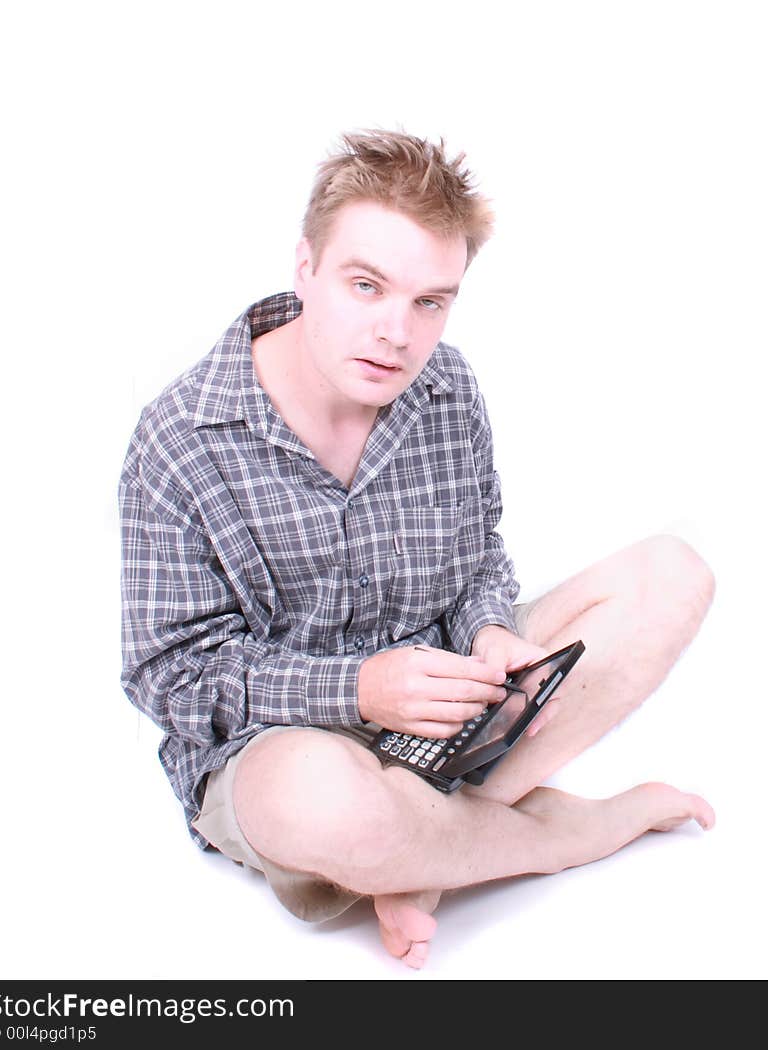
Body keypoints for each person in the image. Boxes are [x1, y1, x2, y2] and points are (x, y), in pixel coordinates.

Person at [119, 129, 716, 970]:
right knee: (321, 804)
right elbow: (168, 677)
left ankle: (417, 857)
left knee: (673, 573)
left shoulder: (445, 387)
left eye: (430, 302)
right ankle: (566, 834)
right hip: (283, 747)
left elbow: (477, 561)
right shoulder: (179, 437)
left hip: (447, 706)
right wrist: (362, 689)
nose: (396, 333)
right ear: (306, 267)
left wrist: (487, 633)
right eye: (367, 286)